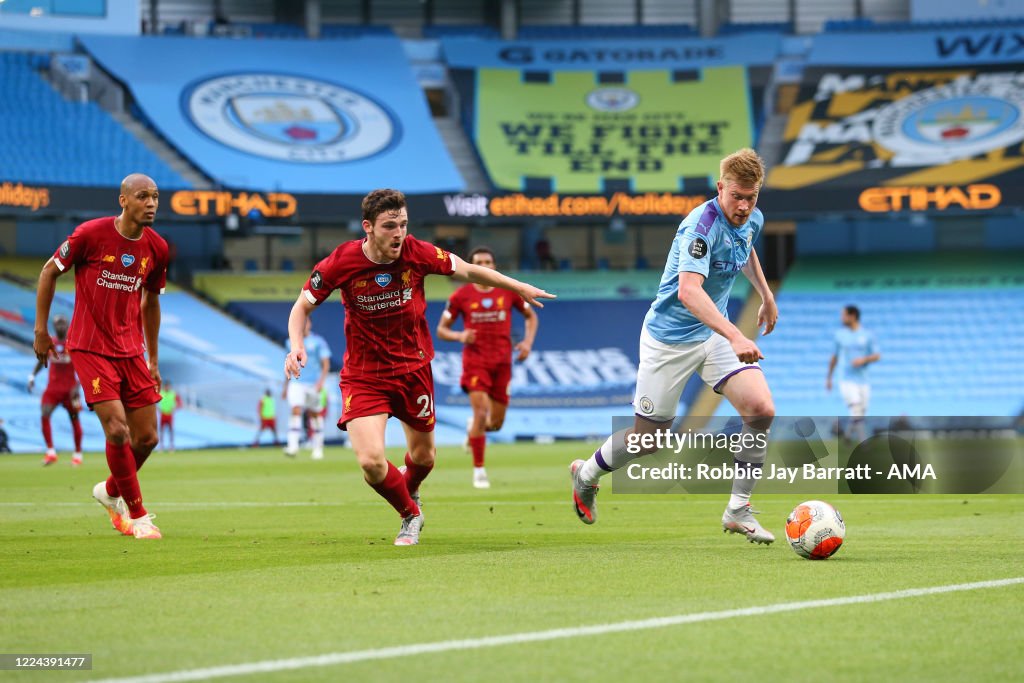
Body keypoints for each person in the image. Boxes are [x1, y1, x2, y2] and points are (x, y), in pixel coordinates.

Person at [284, 189, 553, 546]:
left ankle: (408, 492)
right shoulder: (341, 262)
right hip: (364, 376)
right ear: (368, 227)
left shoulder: (418, 252)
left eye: (404, 224)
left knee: (424, 458)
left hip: (413, 371)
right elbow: (301, 307)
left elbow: (470, 270)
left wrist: (517, 287)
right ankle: (410, 514)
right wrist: (296, 345)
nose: (399, 233)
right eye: (390, 225)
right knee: (371, 462)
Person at [568, 148, 779, 544]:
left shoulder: (752, 218)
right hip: (669, 339)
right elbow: (688, 292)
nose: (744, 205)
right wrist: (735, 333)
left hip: (711, 334)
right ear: (720, 188)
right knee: (649, 441)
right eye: (737, 196)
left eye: (751, 197)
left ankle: (738, 509)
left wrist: (766, 295)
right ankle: (587, 474)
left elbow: (745, 247)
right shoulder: (700, 226)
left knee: (761, 409)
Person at [34, 173, 169, 540]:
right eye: (143, 196)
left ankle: (110, 492)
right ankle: (138, 516)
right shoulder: (90, 235)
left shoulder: (157, 248)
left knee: (147, 438)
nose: (152, 203)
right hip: (90, 346)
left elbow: (151, 302)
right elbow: (49, 272)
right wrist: (41, 331)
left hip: (131, 350)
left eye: (156, 197)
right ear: (123, 200)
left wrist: (153, 359)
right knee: (117, 429)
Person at [436, 247, 538, 489]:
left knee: (495, 423)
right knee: (481, 413)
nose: (483, 265)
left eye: (488, 261)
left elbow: (531, 317)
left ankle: (473, 429)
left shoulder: (508, 292)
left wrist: (527, 343)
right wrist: (460, 335)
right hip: (475, 362)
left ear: (494, 266)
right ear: (470, 267)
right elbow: (441, 330)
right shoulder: (460, 296)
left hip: (502, 363)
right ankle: (479, 471)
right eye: (478, 262)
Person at [29, 314, 84, 466]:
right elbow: (42, 360)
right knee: (44, 413)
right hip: (53, 388)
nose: (60, 326)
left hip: (70, 390)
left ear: (67, 326)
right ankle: (51, 452)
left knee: (74, 419)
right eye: (57, 324)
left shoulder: (73, 342)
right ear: (53, 326)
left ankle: (78, 454)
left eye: (62, 323)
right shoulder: (50, 342)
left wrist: (78, 386)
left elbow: (84, 366)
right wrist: (32, 375)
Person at [826, 305, 881, 442]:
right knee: (855, 406)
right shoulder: (840, 335)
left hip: (863, 380)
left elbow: (877, 356)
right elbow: (834, 357)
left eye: (844, 315)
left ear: (852, 316)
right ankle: (864, 441)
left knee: (860, 412)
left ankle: (848, 434)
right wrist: (829, 377)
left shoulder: (867, 335)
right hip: (846, 379)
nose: (842, 318)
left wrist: (864, 359)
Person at [282, 318, 331, 459]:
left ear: (309, 324)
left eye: (306, 323)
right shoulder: (290, 343)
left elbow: (326, 364)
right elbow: (288, 364)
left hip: (314, 384)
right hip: (297, 382)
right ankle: (293, 446)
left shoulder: (318, 342)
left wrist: (321, 382)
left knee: (314, 415)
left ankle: (318, 448)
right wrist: (286, 386)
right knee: (295, 409)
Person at [158, 380, 181, 452]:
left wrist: (175, 407)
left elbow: (179, 403)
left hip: (170, 415)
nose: (167, 387)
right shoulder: (161, 393)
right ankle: (161, 446)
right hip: (163, 414)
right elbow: (154, 401)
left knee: (171, 431)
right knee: (161, 431)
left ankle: (171, 446)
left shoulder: (173, 394)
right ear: (165, 386)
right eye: (166, 386)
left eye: (168, 386)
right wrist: (158, 407)